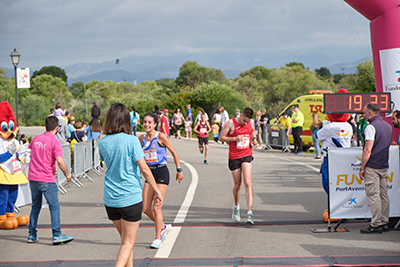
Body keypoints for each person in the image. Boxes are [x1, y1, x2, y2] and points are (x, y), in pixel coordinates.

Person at [98, 103, 163, 267]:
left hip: (111, 199)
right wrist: (157, 191)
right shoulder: (132, 140)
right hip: (130, 197)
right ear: (127, 120)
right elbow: (145, 170)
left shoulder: (102, 142)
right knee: (128, 243)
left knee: (126, 243)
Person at [139, 113, 183, 249]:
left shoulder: (161, 136)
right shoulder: (140, 138)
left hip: (161, 172)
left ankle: (158, 238)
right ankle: (163, 226)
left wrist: (179, 170)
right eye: (145, 122)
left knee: (156, 206)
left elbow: (174, 153)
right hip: (149, 173)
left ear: (155, 124)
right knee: (145, 208)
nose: (146, 124)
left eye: (149, 122)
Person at [27, 116, 73, 245]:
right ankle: (57, 234)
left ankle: (32, 234)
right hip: (46, 178)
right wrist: (67, 173)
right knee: (54, 207)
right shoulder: (54, 141)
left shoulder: (36, 139)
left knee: (35, 206)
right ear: (57, 128)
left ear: (45, 126)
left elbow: (30, 154)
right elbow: (59, 160)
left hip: (33, 178)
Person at [219, 108, 258, 224]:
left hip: (246, 154)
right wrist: (235, 138)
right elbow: (221, 137)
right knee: (238, 185)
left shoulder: (251, 122)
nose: (245, 123)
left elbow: (253, 131)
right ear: (241, 115)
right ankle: (236, 207)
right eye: (244, 120)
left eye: (248, 121)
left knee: (248, 182)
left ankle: (250, 213)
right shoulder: (231, 123)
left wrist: (254, 139)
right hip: (234, 156)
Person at [359, 103, 392, 234]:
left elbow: (368, 150)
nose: (363, 115)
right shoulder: (388, 126)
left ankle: (376, 224)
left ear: (370, 113)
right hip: (384, 165)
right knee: (384, 194)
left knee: (374, 195)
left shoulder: (371, 127)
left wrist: (362, 167)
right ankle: (384, 222)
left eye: (364, 112)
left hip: (372, 165)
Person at [316, 108, 352, 194]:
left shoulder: (329, 127)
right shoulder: (349, 126)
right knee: (341, 180)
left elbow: (318, 136)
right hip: (344, 157)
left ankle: (332, 202)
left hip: (330, 157)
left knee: (327, 180)